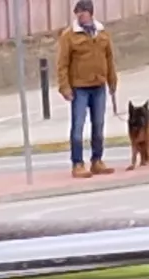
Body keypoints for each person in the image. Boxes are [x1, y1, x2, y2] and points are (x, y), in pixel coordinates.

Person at [59, 0, 118, 177]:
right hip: (79, 87)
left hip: (99, 85)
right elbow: (62, 63)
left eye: (83, 12)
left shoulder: (102, 33)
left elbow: (109, 58)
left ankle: (97, 160)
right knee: (78, 126)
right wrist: (65, 87)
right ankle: (77, 163)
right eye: (77, 12)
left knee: (98, 124)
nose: (79, 15)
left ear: (91, 13)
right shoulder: (69, 36)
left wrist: (112, 81)